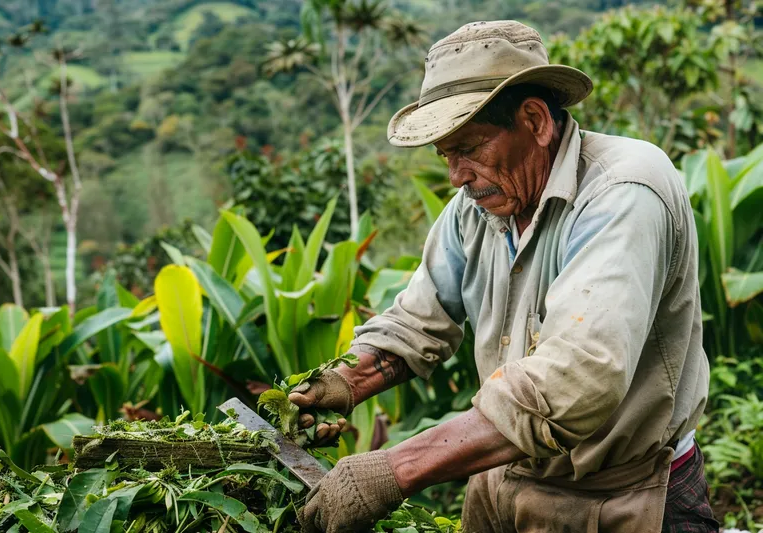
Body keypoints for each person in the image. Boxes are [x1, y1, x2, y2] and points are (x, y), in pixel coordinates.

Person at [291, 20, 718, 533]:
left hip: (628, 495)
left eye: (469, 149)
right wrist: (341, 381)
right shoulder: (477, 206)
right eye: (446, 155)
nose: (456, 176)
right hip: (505, 486)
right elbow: (418, 323)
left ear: (536, 121)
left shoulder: (624, 190)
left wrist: (394, 470)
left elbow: (575, 378)